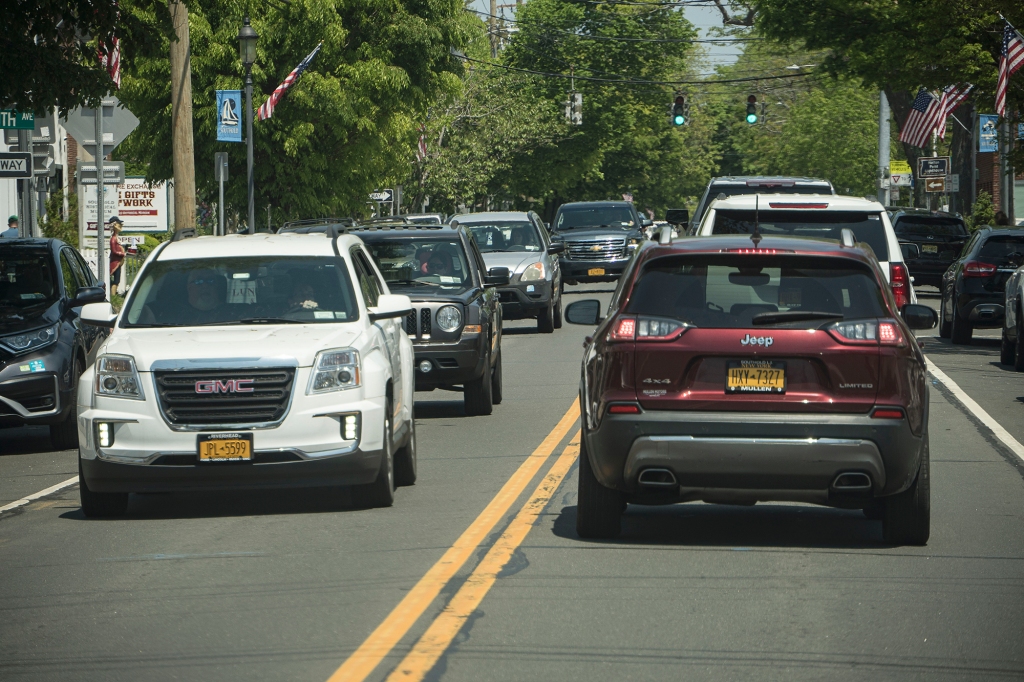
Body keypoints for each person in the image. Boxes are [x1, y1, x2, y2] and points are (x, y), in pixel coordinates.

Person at [108, 217, 126, 294]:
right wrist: (122, 253)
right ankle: (113, 295)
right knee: (116, 280)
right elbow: (114, 251)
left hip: (118, 262)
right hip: (115, 262)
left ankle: (114, 294)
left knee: (117, 280)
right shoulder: (113, 239)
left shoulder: (116, 238)